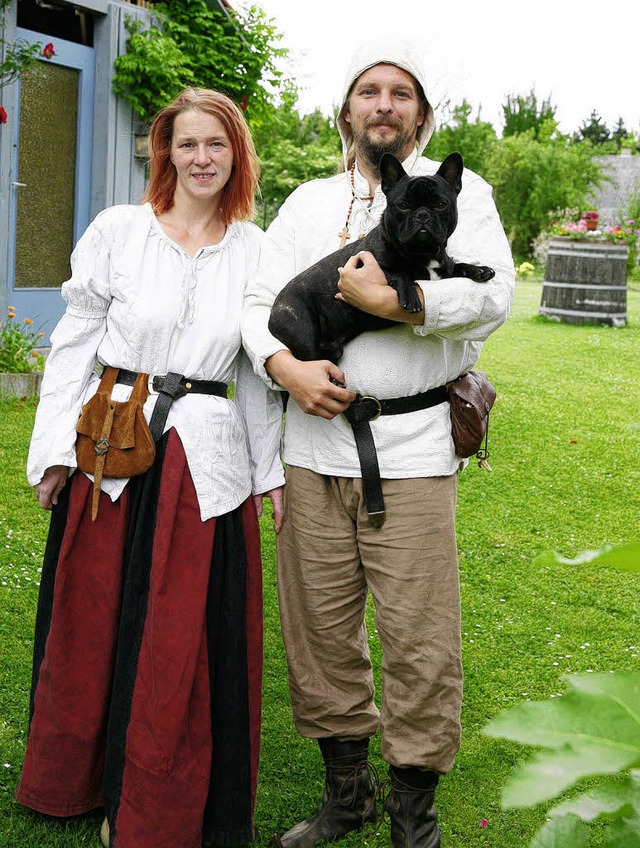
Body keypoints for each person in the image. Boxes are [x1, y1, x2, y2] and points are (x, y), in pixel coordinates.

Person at [241, 40, 515, 848]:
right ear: (349, 114)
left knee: (420, 638)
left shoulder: (468, 196)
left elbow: (493, 296)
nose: (385, 104)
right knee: (320, 632)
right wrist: (284, 366)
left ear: (421, 114)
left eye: (401, 92)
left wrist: (399, 301)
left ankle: (414, 814)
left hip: (414, 452)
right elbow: (258, 303)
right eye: (370, 91)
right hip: (315, 449)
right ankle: (347, 795)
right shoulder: (307, 203)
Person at [16, 88, 285, 848]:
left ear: (237, 154)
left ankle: (150, 805)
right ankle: (76, 781)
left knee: (179, 640)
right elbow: (73, 346)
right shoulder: (119, 232)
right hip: (112, 441)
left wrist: (270, 479)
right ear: (163, 150)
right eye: (187, 144)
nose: (201, 159)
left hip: (204, 457)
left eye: (217, 145)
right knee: (96, 619)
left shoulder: (256, 249)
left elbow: (259, 378)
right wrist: (54, 454)